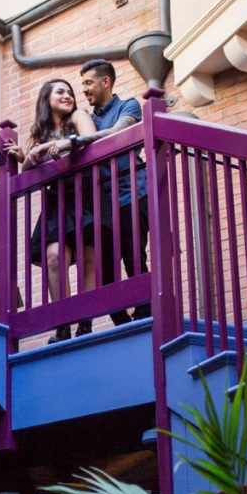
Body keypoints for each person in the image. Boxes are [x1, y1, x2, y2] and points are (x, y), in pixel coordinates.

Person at [4, 78, 96, 341]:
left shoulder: (79, 115)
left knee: (88, 259)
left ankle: (86, 323)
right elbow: (26, 170)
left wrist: (68, 144)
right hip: (56, 200)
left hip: (86, 194)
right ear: (47, 98)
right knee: (54, 256)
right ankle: (62, 323)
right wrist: (27, 156)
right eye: (60, 92)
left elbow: (91, 139)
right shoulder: (38, 131)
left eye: (70, 92)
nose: (68, 96)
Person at [75, 59, 150, 325]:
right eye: (82, 84)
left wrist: (80, 139)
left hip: (132, 192)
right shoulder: (86, 118)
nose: (83, 89)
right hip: (102, 205)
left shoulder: (127, 105)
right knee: (104, 271)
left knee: (133, 257)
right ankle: (123, 324)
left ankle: (144, 316)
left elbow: (118, 133)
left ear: (105, 81)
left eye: (88, 83)